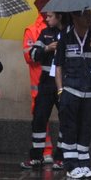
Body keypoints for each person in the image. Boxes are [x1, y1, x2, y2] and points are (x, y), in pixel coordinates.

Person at [56, 9, 91, 179]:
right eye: (85, 15)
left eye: (90, 15)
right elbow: (58, 66)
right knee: (70, 128)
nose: (89, 18)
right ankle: (71, 166)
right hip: (71, 90)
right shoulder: (65, 37)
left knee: (87, 128)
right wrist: (60, 90)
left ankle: (84, 164)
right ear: (74, 16)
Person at [23, 9, 63, 169]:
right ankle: (36, 157)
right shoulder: (45, 33)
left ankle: (61, 157)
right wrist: (47, 48)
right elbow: (32, 54)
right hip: (46, 80)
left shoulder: (69, 33)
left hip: (63, 81)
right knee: (39, 117)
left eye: (50, 16)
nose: (47, 18)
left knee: (66, 119)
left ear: (60, 16)